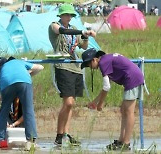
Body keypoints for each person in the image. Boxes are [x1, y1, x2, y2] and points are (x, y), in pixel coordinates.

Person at [48, 3, 96, 146]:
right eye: (66, 14)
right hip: (63, 66)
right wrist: (82, 32)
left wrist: (86, 36)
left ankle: (66, 134)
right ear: (61, 15)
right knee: (67, 102)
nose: (68, 17)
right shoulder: (54, 26)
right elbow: (62, 31)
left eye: (70, 15)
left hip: (76, 67)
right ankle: (59, 134)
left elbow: (84, 46)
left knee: (71, 104)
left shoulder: (74, 29)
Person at [81, 48, 144, 151]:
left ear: (94, 60)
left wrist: (100, 104)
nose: (89, 68)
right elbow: (107, 85)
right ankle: (121, 140)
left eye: (88, 65)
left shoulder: (103, 63)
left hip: (132, 79)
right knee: (123, 110)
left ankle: (126, 143)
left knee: (129, 112)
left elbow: (106, 87)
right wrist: (95, 102)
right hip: (132, 77)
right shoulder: (106, 60)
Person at [0, 57, 44, 150]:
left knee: (3, 111)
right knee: (28, 110)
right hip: (24, 81)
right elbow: (40, 67)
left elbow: (2, 99)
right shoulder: (19, 62)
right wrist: (29, 73)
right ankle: (30, 142)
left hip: (6, 83)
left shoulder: (3, 72)